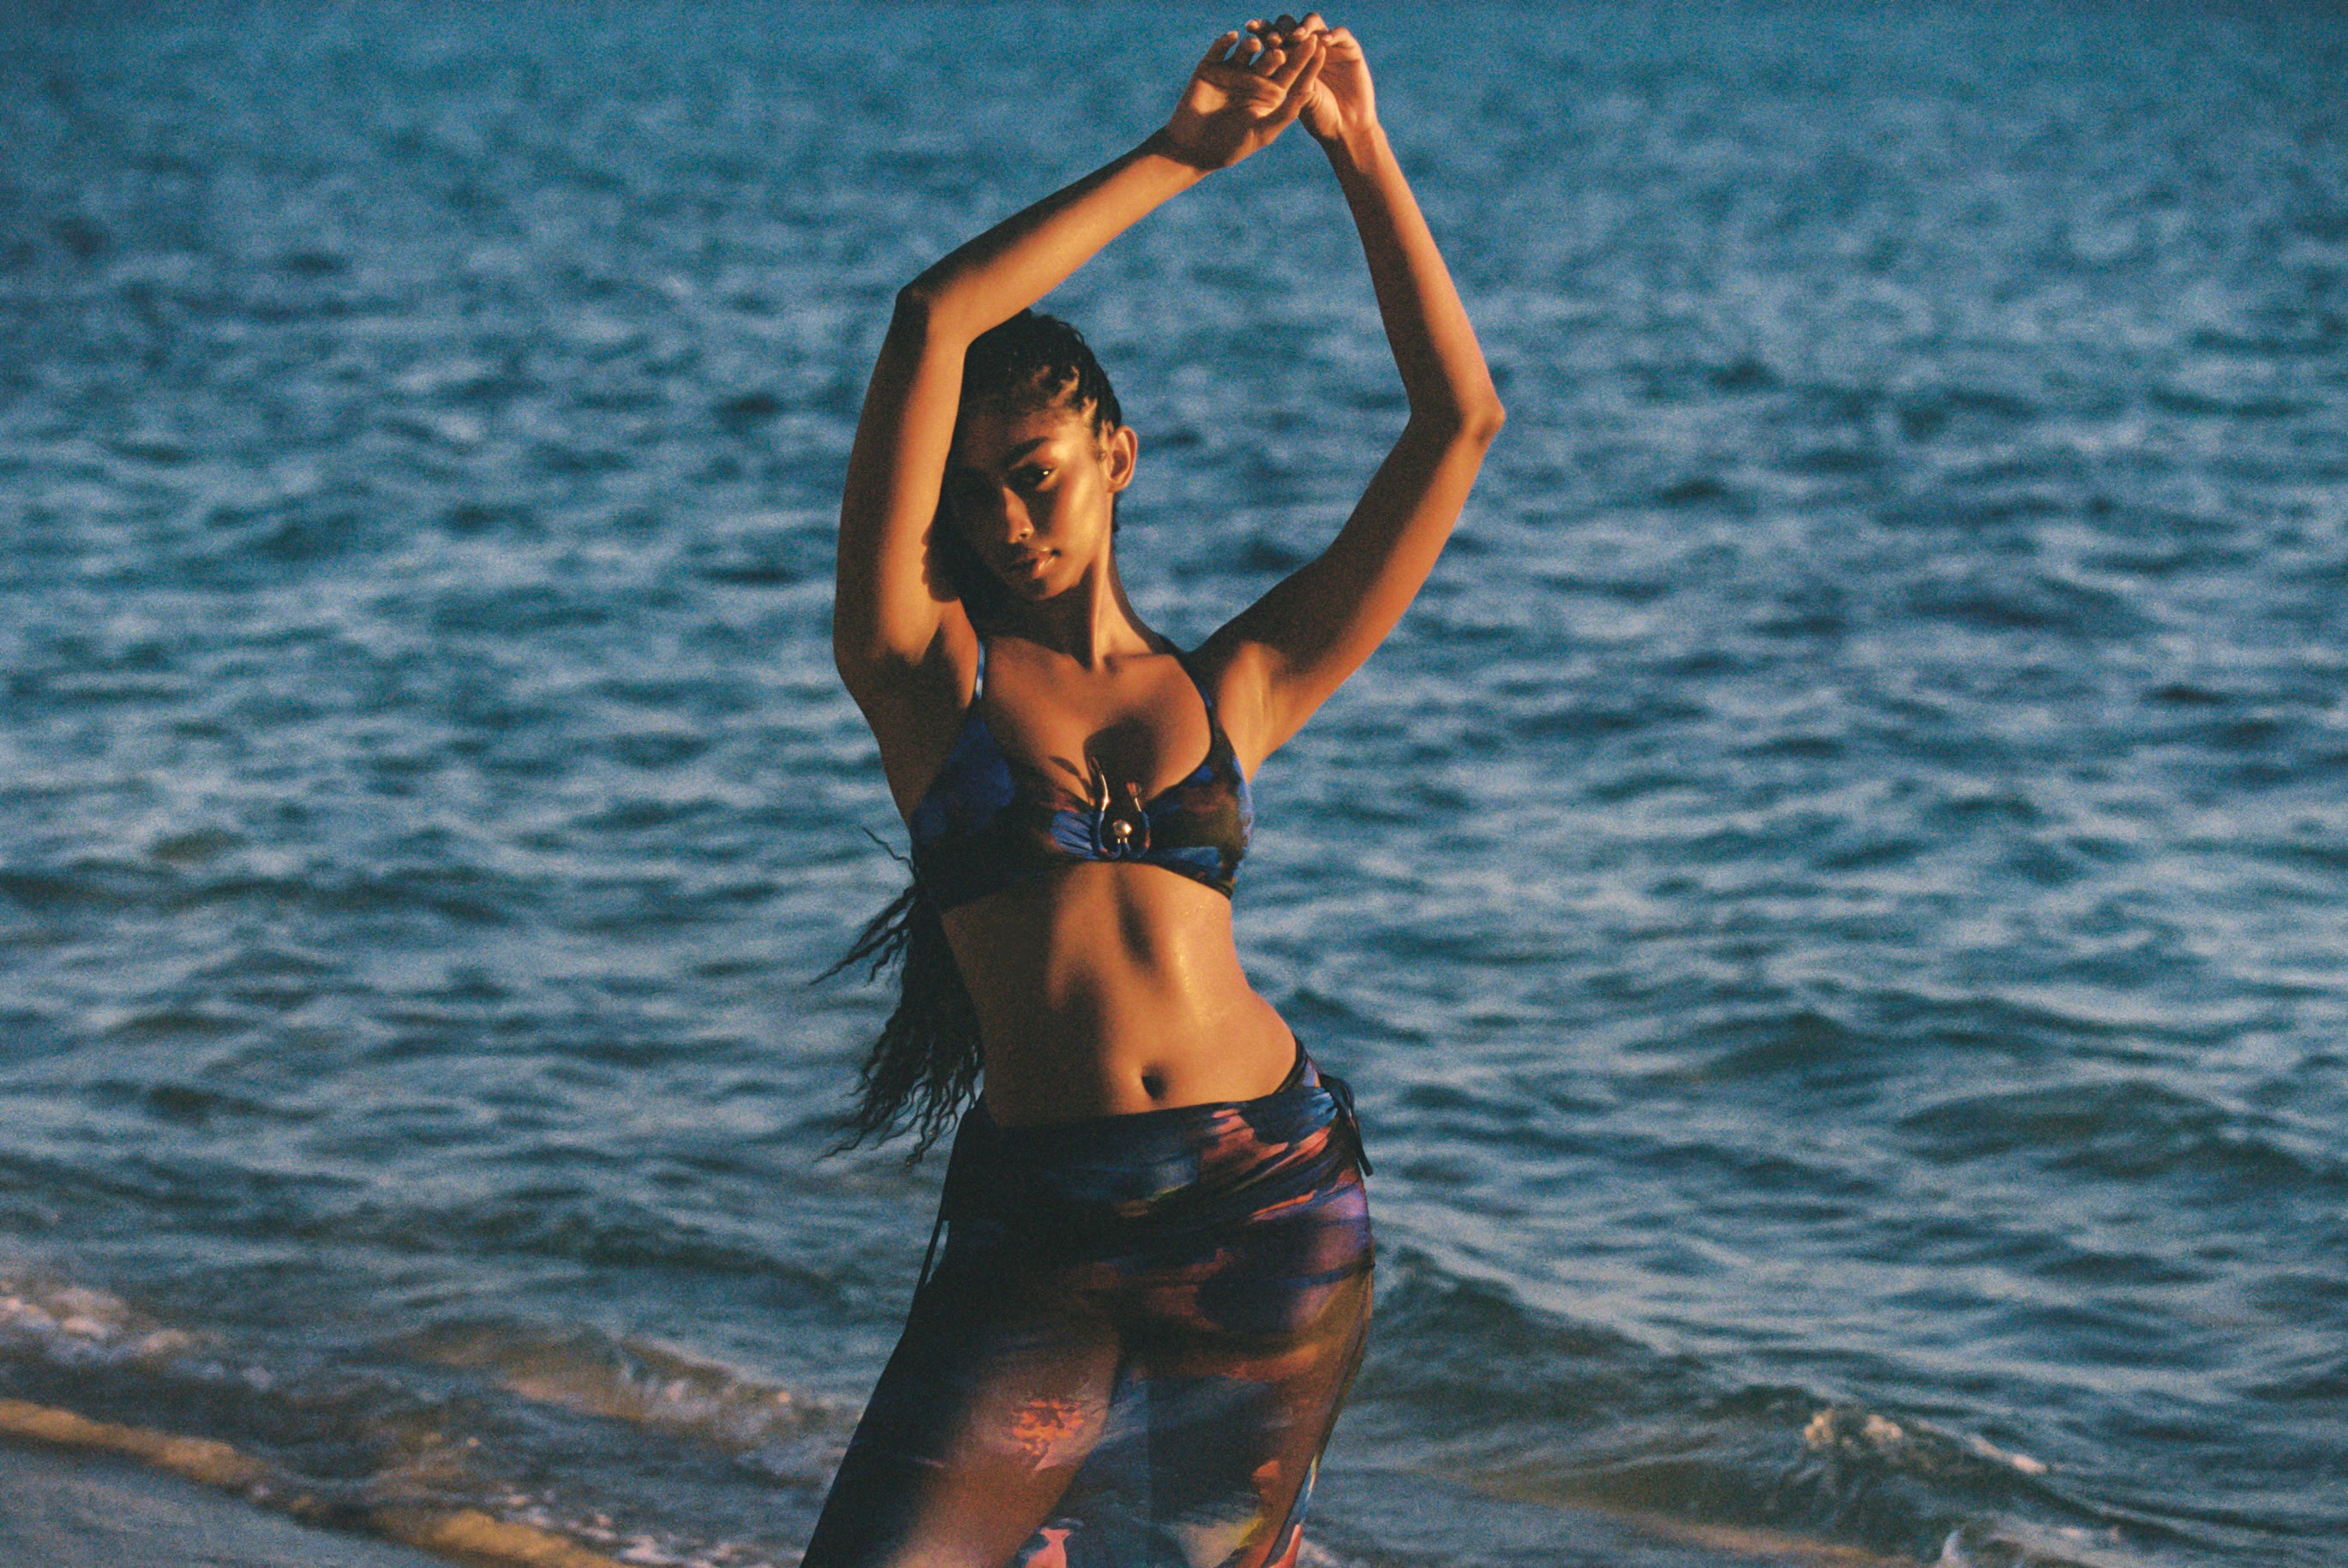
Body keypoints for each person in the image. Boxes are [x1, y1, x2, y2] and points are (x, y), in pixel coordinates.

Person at [812, 13, 1501, 1565]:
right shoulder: (924, 672)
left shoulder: (1233, 687)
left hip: (1270, 1208)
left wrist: (1357, 149)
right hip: (1040, 1234)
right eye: (971, 488)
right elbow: (929, 317)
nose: (1003, 516)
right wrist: (1178, 158)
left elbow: (1458, 429)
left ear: (1116, 454)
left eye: (1036, 469)